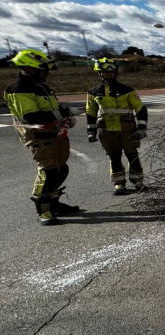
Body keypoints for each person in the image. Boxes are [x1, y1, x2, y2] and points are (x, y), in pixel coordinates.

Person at [4, 49, 80, 225]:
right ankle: (43, 209)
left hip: (55, 134)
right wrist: (64, 112)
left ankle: (53, 203)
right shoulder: (19, 89)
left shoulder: (41, 87)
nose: (47, 72)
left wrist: (65, 119)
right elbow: (31, 117)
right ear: (30, 68)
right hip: (39, 137)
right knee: (49, 171)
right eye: (44, 69)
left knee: (61, 170)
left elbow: (51, 109)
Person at [85, 58, 149, 194]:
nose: (109, 74)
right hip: (107, 131)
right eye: (106, 72)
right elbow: (90, 112)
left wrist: (142, 127)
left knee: (132, 156)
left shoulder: (127, 90)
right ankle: (119, 183)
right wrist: (91, 131)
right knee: (114, 157)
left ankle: (138, 181)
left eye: (112, 71)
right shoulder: (93, 92)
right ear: (99, 73)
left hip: (127, 130)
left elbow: (140, 108)